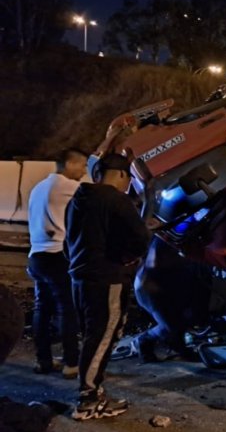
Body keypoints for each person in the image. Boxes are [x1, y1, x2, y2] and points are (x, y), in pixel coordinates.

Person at [66, 154, 151, 421]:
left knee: (93, 336)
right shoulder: (116, 199)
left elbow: (71, 240)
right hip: (107, 278)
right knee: (103, 337)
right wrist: (127, 258)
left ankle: (93, 393)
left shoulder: (78, 199)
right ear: (123, 175)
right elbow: (141, 237)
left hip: (80, 277)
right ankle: (87, 400)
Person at [26, 148, 87, 378]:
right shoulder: (65, 186)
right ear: (69, 163)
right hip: (56, 256)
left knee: (42, 308)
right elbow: (94, 196)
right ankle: (71, 363)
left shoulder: (39, 188)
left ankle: (43, 360)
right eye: (82, 165)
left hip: (36, 256)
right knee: (67, 309)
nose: (83, 171)